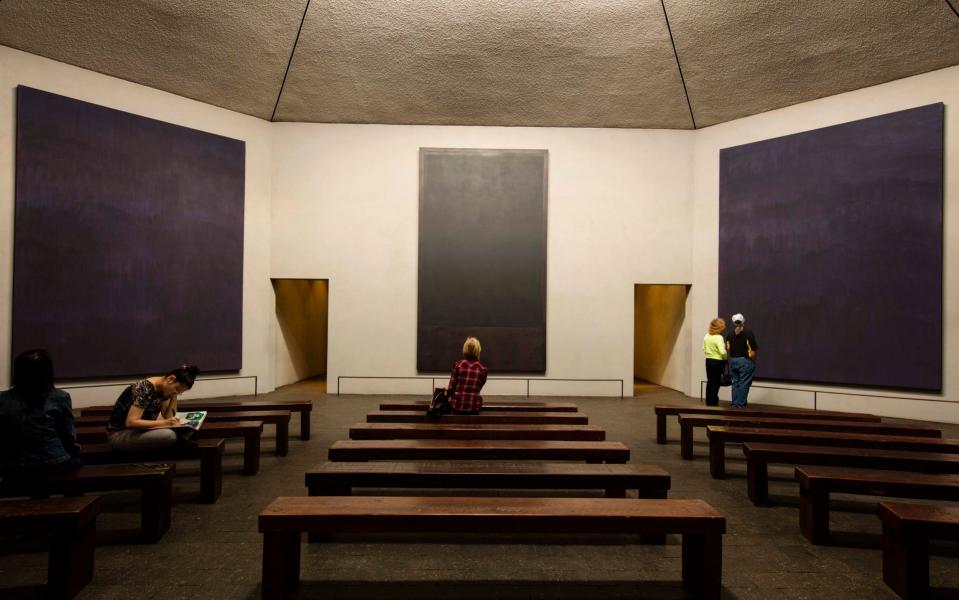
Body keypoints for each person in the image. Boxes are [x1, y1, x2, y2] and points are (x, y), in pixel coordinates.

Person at [0, 349, 81, 485]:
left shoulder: (3, 399)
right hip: (53, 463)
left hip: (13, 467)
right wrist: (73, 451)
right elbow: (68, 435)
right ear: (47, 373)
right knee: (77, 461)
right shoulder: (60, 397)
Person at [106, 364, 200, 451]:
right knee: (169, 435)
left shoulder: (164, 389)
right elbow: (131, 422)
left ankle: (179, 442)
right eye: (176, 389)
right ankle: (178, 443)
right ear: (171, 379)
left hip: (140, 431)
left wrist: (174, 395)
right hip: (120, 435)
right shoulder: (145, 388)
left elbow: (168, 416)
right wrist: (165, 423)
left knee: (190, 429)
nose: (177, 392)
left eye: (180, 392)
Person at [429, 337, 488, 416]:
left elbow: (451, 388)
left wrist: (447, 390)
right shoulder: (483, 369)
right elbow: (478, 387)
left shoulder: (458, 365)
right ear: (478, 351)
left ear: (465, 349)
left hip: (457, 407)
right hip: (474, 407)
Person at [725, 313, 758, 407]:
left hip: (734, 361)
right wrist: (753, 362)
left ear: (733, 322)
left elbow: (728, 348)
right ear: (744, 321)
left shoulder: (729, 334)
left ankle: (735, 404)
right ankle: (741, 405)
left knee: (735, 383)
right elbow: (753, 350)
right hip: (745, 361)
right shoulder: (748, 332)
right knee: (744, 383)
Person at [702, 318, 728, 406]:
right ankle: (714, 401)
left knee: (710, 381)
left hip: (708, 361)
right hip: (717, 362)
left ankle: (709, 401)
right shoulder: (719, 337)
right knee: (716, 382)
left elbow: (703, 348)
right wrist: (725, 358)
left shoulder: (706, 336)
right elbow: (723, 352)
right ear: (719, 327)